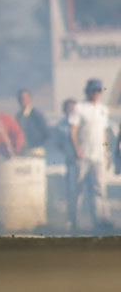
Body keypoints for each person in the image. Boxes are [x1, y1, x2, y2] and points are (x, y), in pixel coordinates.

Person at [68, 78, 114, 232]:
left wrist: (107, 153)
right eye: (94, 90)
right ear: (87, 91)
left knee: (99, 188)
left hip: (99, 156)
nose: (96, 94)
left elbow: (104, 134)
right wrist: (77, 151)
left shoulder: (103, 109)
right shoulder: (79, 108)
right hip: (83, 155)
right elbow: (72, 131)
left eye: (99, 91)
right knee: (77, 188)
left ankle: (100, 220)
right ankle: (74, 222)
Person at [54, 98, 78, 230]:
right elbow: (57, 143)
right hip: (70, 161)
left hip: (84, 160)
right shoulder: (61, 125)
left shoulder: (81, 123)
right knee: (72, 191)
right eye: (68, 108)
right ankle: (72, 219)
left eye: (73, 108)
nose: (71, 111)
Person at [16, 89, 48, 155]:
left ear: (30, 99)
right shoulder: (19, 116)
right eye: (21, 98)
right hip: (24, 150)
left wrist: (37, 142)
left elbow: (45, 131)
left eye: (25, 98)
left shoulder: (36, 114)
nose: (23, 100)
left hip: (35, 150)